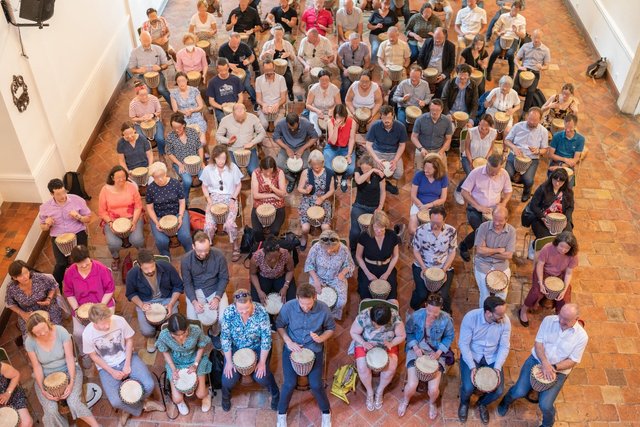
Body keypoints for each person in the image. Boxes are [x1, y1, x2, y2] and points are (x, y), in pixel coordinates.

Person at [499, 304, 588, 427]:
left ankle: (547, 424)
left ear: (576, 319)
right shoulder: (549, 320)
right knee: (518, 391)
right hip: (537, 360)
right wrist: (545, 364)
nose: (561, 321)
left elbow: (573, 360)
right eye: (560, 316)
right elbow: (538, 343)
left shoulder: (582, 337)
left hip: (559, 370)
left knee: (545, 405)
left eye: (566, 320)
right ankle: (505, 401)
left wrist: (554, 368)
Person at [82, 304, 163, 426]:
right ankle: (141, 405)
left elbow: (130, 339)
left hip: (127, 357)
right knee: (115, 401)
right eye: (103, 324)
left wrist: (127, 363)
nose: (107, 325)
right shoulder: (87, 334)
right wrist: (111, 371)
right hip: (107, 367)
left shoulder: (118, 320)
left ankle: (129, 407)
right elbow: (93, 356)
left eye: (108, 321)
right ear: (94, 322)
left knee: (149, 384)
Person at [275, 284, 335, 427]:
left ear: (315, 297)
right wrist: (288, 341)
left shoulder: (324, 309)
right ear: (297, 298)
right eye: (302, 304)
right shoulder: (289, 307)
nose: (305, 307)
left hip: (314, 348)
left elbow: (331, 329)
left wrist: (321, 339)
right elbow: (279, 325)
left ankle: (326, 413)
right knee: (289, 384)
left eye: (309, 304)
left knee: (316, 385)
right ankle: (281, 414)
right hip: (292, 347)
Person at [25, 313, 99, 427]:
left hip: (69, 370)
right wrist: (43, 390)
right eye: (38, 333)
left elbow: (70, 358)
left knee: (74, 402)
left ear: (47, 323)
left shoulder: (60, 331)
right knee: (51, 410)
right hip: (45, 378)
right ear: (32, 333)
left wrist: (71, 383)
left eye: (44, 329)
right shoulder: (29, 341)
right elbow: (37, 367)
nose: (43, 333)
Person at [221, 289, 280, 411]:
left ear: (251, 302)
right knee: (228, 379)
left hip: (257, 346)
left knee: (262, 377)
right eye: (240, 310)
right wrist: (229, 362)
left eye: (247, 308)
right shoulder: (228, 312)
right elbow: (225, 338)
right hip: (237, 347)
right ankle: (225, 396)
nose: (244, 312)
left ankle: (275, 394)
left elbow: (266, 339)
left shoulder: (261, 311)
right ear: (234, 305)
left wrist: (262, 362)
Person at [399, 294, 454, 419]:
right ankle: (405, 401)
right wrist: (415, 347)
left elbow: (449, 337)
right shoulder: (417, 315)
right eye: (429, 311)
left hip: (435, 351)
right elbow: (409, 332)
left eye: (435, 313)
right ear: (425, 306)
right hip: (416, 348)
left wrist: (439, 352)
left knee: (434, 389)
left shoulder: (446, 319)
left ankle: (432, 403)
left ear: (441, 308)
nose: (431, 315)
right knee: (412, 385)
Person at [458, 296, 511, 424]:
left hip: (492, 357)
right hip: (473, 355)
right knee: (468, 386)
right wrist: (472, 366)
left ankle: (482, 403)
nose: (503, 317)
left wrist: (497, 367)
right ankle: (464, 403)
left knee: (498, 390)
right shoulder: (470, 318)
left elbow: (504, 346)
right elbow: (463, 344)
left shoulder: (505, 321)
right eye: (499, 315)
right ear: (488, 313)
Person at [349, 303, 405, 411]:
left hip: (387, 344)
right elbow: (353, 332)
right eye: (374, 323)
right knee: (361, 367)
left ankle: (380, 391)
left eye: (379, 325)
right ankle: (369, 392)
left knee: (391, 368)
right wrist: (363, 342)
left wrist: (392, 344)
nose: (376, 326)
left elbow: (401, 336)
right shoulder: (363, 316)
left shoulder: (395, 319)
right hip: (365, 342)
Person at [63, 245, 115, 362]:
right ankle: (84, 352)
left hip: (102, 303)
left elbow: (110, 289)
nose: (84, 266)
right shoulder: (70, 273)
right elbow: (69, 293)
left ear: (89, 257)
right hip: (80, 307)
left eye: (86, 262)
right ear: (74, 262)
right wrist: (77, 310)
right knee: (77, 333)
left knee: (105, 328)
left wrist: (101, 306)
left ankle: (106, 349)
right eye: (80, 264)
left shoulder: (100, 268)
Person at [126, 248, 183, 353]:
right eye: (146, 269)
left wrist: (171, 303)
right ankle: (152, 336)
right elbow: (131, 294)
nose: (150, 271)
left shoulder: (167, 267)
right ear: (139, 266)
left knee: (174, 324)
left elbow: (178, 286)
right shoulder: (132, 274)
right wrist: (141, 305)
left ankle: (169, 336)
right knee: (146, 331)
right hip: (145, 301)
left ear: (154, 262)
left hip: (167, 298)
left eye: (152, 266)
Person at [459, 154, 512, 261]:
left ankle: (489, 249)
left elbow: (508, 192)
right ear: (487, 164)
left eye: (495, 172)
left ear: (501, 167)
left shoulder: (504, 174)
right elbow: (464, 192)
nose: (492, 173)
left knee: (499, 227)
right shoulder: (476, 172)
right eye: (490, 170)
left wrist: (503, 203)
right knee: (481, 230)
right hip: (475, 208)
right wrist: (478, 206)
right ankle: (464, 245)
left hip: (494, 210)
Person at [39, 178, 91, 288]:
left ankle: (86, 281)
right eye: (58, 194)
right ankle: (56, 288)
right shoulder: (45, 207)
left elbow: (88, 219)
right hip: (58, 236)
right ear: (51, 194)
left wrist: (78, 216)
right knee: (60, 264)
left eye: (64, 192)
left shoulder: (77, 200)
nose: (63, 196)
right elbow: (43, 227)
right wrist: (47, 224)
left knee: (82, 258)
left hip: (77, 231)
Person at [157, 314, 212, 415]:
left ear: (187, 327)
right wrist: (173, 369)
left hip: (195, 358)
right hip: (176, 362)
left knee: (200, 394)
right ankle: (180, 402)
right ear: (170, 333)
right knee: (177, 399)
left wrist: (195, 364)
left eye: (184, 332)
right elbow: (165, 352)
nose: (182, 336)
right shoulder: (164, 335)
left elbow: (201, 346)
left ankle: (206, 394)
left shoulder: (195, 330)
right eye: (177, 335)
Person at [519, 232, 578, 327]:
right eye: (561, 246)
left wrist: (564, 289)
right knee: (536, 292)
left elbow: (568, 273)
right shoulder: (548, 248)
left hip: (559, 275)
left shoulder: (573, 255)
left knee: (565, 297)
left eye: (567, 248)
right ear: (557, 243)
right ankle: (523, 311)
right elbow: (540, 265)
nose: (563, 250)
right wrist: (541, 283)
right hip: (544, 272)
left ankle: (560, 317)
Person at [410, 206, 456, 313]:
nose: (435, 225)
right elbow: (416, 251)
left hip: (443, 267)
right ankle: (415, 306)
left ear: (444, 220)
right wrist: (423, 267)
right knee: (422, 294)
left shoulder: (451, 231)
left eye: (438, 223)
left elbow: (452, 252)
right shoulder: (420, 230)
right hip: (422, 265)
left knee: (443, 296)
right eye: (432, 222)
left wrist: (444, 270)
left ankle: (446, 315)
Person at [201, 144, 243, 261]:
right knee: (208, 226)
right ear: (214, 157)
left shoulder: (233, 167)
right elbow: (204, 187)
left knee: (229, 225)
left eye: (224, 158)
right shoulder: (208, 169)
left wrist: (233, 199)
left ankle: (235, 246)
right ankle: (207, 246)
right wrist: (209, 200)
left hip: (230, 197)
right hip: (213, 198)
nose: (221, 161)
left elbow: (238, 185)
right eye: (219, 158)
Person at [97, 166, 144, 270]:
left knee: (137, 240)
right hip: (112, 220)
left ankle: (142, 255)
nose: (122, 179)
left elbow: (138, 206)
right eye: (118, 177)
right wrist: (109, 223)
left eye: (124, 177)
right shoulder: (105, 190)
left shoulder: (132, 187)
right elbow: (102, 211)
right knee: (113, 244)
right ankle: (116, 257)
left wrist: (134, 222)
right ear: (112, 177)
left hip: (132, 217)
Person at [181, 231, 230, 328]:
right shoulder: (186, 260)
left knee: (224, 319)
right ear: (193, 247)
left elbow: (224, 278)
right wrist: (194, 301)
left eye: (206, 250)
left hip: (215, 288)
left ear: (210, 245)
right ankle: (199, 337)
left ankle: (215, 331)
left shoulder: (219, 256)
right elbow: (187, 283)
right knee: (192, 321)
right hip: (196, 290)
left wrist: (217, 297)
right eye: (199, 251)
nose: (203, 254)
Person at [304, 229, 355, 320]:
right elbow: (309, 265)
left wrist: (343, 273)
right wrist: (316, 281)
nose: (329, 251)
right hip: (318, 276)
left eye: (332, 249)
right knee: (313, 299)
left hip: (336, 277)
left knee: (341, 302)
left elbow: (349, 264)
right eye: (326, 249)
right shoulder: (316, 248)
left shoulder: (344, 249)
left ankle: (332, 316)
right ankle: (318, 315)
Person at [6, 260, 63, 340]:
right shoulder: (11, 287)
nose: (25, 276)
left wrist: (48, 299)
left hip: (46, 306)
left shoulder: (38, 277)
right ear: (14, 277)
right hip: (27, 313)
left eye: (26, 272)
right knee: (29, 339)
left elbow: (53, 285)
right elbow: (9, 303)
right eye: (20, 275)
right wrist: (22, 313)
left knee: (56, 332)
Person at [145, 162, 192, 256]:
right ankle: (166, 259)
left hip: (177, 212)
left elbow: (182, 201)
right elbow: (149, 208)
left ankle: (191, 254)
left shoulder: (175, 183)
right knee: (161, 241)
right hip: (159, 216)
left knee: (185, 236)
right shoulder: (151, 188)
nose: (160, 179)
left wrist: (180, 216)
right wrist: (156, 222)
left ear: (165, 173)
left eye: (162, 175)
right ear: (152, 177)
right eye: (156, 177)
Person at [473, 206, 516, 307]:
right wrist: (498, 250)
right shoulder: (484, 227)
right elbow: (479, 251)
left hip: (501, 265)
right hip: (483, 263)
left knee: (502, 293)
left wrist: (487, 250)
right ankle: (484, 316)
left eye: (500, 221)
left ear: (506, 219)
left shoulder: (511, 231)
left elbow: (509, 255)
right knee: (485, 294)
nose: (496, 223)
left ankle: (496, 315)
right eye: (495, 219)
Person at [504, 107, 549, 202]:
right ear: (526, 116)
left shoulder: (544, 131)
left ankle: (527, 192)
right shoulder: (518, 126)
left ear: (540, 120)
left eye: (535, 120)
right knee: (507, 175)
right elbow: (507, 140)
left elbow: (545, 149)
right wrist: (514, 147)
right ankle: (505, 191)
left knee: (528, 180)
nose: (532, 122)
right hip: (515, 155)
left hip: (532, 158)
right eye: (530, 119)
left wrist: (538, 151)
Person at [355, 210, 399, 300]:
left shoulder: (392, 235)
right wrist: (368, 274)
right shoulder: (364, 236)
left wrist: (387, 273)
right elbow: (358, 257)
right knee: (365, 295)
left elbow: (395, 256)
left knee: (392, 297)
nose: (378, 231)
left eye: (381, 227)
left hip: (387, 267)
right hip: (368, 267)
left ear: (385, 226)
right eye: (376, 227)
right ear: (372, 225)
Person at [454, 114, 497, 203]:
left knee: (487, 173)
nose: (483, 129)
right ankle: (458, 191)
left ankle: (477, 192)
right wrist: (471, 161)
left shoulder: (494, 133)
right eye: (481, 127)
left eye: (486, 127)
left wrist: (486, 160)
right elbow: (466, 148)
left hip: (483, 160)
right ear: (479, 123)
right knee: (471, 174)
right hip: (468, 157)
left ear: (490, 126)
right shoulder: (471, 132)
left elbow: (491, 149)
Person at [365, 105, 408, 195]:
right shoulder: (375, 125)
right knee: (375, 170)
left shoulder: (401, 127)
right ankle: (383, 184)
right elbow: (368, 145)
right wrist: (377, 159)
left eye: (388, 117)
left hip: (393, 152)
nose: (386, 121)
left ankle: (386, 182)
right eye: (384, 118)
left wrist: (395, 160)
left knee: (398, 173)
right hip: (378, 151)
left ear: (393, 116)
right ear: (381, 116)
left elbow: (402, 145)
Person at [297, 150, 336, 249]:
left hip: (323, 200)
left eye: (319, 164)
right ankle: (304, 237)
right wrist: (306, 191)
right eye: (314, 165)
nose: (316, 167)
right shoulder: (306, 172)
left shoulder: (329, 173)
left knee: (325, 227)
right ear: (310, 163)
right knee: (305, 228)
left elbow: (332, 190)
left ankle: (325, 243)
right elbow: (299, 188)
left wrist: (322, 198)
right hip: (308, 200)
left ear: (323, 162)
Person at [522, 168, 574, 241]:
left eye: (560, 181)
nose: (557, 183)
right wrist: (543, 218)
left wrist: (566, 220)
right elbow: (534, 205)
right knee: (546, 239)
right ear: (551, 178)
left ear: (565, 182)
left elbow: (570, 207)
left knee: (567, 239)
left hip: (561, 219)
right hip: (542, 218)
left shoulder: (568, 192)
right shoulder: (543, 188)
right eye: (555, 180)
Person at [273, 113, 319, 193]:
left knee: (306, 166)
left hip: (302, 147)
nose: (292, 130)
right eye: (290, 128)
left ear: (298, 122)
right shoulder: (281, 123)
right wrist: (286, 148)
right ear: (286, 122)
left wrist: (303, 148)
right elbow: (276, 137)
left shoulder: (306, 123)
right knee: (279, 165)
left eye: (294, 128)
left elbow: (315, 137)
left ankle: (301, 179)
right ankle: (292, 179)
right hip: (286, 146)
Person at [165, 112, 205, 206]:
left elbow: (199, 147)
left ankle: (210, 196)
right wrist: (179, 164)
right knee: (187, 181)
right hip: (180, 163)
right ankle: (184, 198)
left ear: (184, 124)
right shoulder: (170, 137)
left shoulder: (192, 132)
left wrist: (201, 161)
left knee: (204, 176)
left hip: (195, 161)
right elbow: (169, 153)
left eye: (179, 127)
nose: (177, 130)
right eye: (174, 128)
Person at [349, 154, 386, 250]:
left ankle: (372, 249)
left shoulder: (379, 175)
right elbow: (359, 181)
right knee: (355, 232)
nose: (364, 170)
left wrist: (380, 207)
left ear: (372, 166)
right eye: (363, 167)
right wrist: (372, 171)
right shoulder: (357, 171)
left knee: (377, 230)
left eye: (367, 168)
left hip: (375, 207)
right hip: (359, 206)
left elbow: (383, 192)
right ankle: (353, 250)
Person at [216, 103, 265, 175]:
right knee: (231, 173)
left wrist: (252, 142)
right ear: (232, 113)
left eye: (243, 118)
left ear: (246, 111)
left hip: (250, 149)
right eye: (238, 119)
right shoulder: (225, 120)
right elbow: (218, 135)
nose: (240, 120)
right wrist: (227, 141)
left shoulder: (253, 118)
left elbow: (262, 133)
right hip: (232, 150)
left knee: (254, 171)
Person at [408, 154, 448, 235]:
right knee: (412, 230)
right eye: (425, 167)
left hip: (435, 207)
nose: (426, 170)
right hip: (419, 205)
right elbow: (413, 196)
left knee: (437, 231)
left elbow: (443, 198)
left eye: (429, 169)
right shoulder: (419, 175)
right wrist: (421, 206)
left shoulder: (443, 177)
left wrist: (429, 205)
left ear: (436, 169)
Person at [486, 1, 526, 81]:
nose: (514, 12)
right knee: (496, 51)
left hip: (513, 39)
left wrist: (516, 32)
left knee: (510, 54)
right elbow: (495, 28)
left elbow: (523, 35)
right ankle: (488, 70)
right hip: (502, 37)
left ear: (519, 10)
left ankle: (511, 74)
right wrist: (499, 32)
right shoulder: (503, 16)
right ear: (511, 8)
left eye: (517, 10)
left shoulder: (522, 19)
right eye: (514, 9)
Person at [251, 156, 288, 242]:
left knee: (274, 231)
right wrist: (272, 195)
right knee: (257, 231)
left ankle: (271, 247)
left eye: (270, 171)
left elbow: (283, 194)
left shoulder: (279, 172)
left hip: (277, 204)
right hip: (260, 203)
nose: (268, 174)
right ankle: (261, 248)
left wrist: (272, 187)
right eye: (265, 171)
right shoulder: (256, 173)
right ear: (261, 168)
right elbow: (256, 195)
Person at [250, 237, 296, 304]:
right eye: (269, 258)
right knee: (256, 302)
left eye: (276, 257)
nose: (273, 260)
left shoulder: (285, 254)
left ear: (279, 252)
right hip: (263, 277)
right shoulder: (256, 257)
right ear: (264, 253)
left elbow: (290, 270)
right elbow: (252, 274)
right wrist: (259, 291)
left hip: (281, 276)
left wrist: (285, 286)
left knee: (290, 301)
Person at [514, 29, 551, 112]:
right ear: (532, 37)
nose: (536, 40)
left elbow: (547, 66)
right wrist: (519, 66)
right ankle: (513, 106)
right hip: (524, 69)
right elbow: (516, 59)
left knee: (531, 91)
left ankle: (525, 111)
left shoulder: (546, 50)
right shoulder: (525, 46)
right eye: (534, 37)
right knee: (515, 87)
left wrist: (542, 67)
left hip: (535, 72)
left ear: (542, 38)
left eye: (538, 38)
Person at [128, 30, 170, 104]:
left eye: (148, 40)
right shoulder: (135, 52)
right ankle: (149, 112)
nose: (147, 43)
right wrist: (139, 71)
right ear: (140, 40)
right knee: (146, 92)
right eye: (144, 41)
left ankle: (174, 107)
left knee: (162, 89)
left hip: (158, 74)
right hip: (142, 76)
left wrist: (160, 68)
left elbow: (166, 64)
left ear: (151, 38)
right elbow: (132, 69)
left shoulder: (158, 49)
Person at [411, 98, 453, 169]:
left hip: (438, 150)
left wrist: (442, 151)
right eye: (432, 110)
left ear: (442, 110)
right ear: (429, 108)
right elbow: (413, 137)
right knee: (418, 172)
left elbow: (448, 139)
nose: (434, 112)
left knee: (443, 173)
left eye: (437, 110)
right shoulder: (420, 119)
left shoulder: (447, 121)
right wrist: (421, 148)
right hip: (422, 148)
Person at [218, 33, 258, 106]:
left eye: (238, 43)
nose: (236, 45)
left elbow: (252, 57)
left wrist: (248, 61)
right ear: (229, 40)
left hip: (244, 71)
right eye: (233, 43)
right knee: (229, 87)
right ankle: (233, 102)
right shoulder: (223, 48)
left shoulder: (244, 46)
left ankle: (255, 100)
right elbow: (220, 62)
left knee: (247, 85)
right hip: (229, 72)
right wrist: (229, 65)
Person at [324, 104, 356, 192]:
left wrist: (349, 154)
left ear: (345, 116)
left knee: (351, 169)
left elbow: (352, 139)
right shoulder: (330, 122)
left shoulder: (352, 122)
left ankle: (344, 178)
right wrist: (336, 128)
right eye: (337, 117)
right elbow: (333, 141)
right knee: (328, 167)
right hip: (332, 148)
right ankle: (333, 178)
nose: (339, 119)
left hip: (345, 148)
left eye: (342, 117)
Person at [128, 81, 166, 156]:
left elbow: (159, 111)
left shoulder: (154, 99)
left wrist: (152, 115)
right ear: (137, 95)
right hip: (139, 124)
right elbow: (132, 118)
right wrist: (141, 119)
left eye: (146, 94)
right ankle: (147, 155)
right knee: (142, 141)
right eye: (141, 95)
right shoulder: (133, 104)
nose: (144, 97)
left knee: (160, 139)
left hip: (155, 121)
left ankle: (161, 153)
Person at [260, 24, 297, 101]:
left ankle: (290, 91)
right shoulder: (268, 44)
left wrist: (289, 54)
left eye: (280, 34)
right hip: (271, 68)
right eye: (276, 34)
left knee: (289, 80)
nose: (278, 36)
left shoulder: (287, 44)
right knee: (268, 82)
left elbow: (294, 59)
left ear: (283, 34)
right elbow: (261, 58)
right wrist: (266, 52)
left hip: (284, 67)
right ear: (273, 34)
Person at [418, 27, 456, 97]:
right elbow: (420, 58)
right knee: (418, 84)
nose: (437, 40)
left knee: (443, 88)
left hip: (441, 73)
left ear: (445, 37)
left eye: (440, 38)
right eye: (435, 38)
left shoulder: (451, 46)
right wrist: (422, 70)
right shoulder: (428, 42)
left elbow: (452, 65)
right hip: (426, 71)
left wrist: (443, 76)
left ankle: (434, 102)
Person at [547, 114, 584, 186]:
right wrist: (564, 159)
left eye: (570, 128)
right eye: (566, 127)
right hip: (556, 162)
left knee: (568, 187)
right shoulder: (557, 136)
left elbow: (575, 159)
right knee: (553, 184)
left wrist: (562, 166)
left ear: (575, 126)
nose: (567, 130)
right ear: (563, 124)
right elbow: (550, 154)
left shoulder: (580, 139)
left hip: (569, 165)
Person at [206, 58, 245, 125]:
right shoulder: (212, 82)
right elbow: (211, 101)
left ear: (228, 67)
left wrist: (237, 106)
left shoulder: (235, 79)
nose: (223, 72)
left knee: (242, 119)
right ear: (217, 69)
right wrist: (221, 107)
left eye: (226, 70)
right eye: (221, 70)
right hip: (220, 108)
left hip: (235, 105)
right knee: (225, 122)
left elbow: (240, 96)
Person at [337, 32, 371, 102]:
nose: (355, 45)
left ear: (360, 41)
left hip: (360, 67)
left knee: (362, 83)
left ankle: (360, 100)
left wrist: (363, 70)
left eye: (357, 43)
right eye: (352, 43)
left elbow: (367, 62)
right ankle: (343, 101)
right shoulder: (343, 47)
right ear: (348, 41)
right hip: (346, 67)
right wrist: (344, 69)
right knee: (346, 84)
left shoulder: (364, 47)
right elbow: (338, 61)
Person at [306, 70, 341, 137]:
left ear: (329, 79)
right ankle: (318, 142)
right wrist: (317, 111)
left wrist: (332, 109)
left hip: (331, 111)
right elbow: (307, 105)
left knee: (334, 131)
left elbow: (339, 104)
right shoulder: (314, 89)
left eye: (327, 80)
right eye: (322, 80)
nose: (324, 82)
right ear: (319, 79)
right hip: (316, 111)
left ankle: (331, 143)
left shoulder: (334, 89)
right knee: (317, 133)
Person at [256, 59, 288, 130]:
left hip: (278, 106)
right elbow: (258, 99)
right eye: (266, 70)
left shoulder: (281, 79)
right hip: (264, 107)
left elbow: (283, 98)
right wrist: (263, 104)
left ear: (274, 68)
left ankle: (273, 124)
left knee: (278, 126)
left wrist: (277, 104)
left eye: (270, 69)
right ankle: (268, 124)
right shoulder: (258, 80)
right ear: (263, 69)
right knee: (263, 126)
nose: (269, 72)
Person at [377, 27, 411, 91]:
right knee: (387, 85)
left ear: (398, 35)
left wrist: (404, 68)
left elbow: (407, 59)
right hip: (388, 69)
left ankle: (400, 97)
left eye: (393, 36)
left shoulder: (404, 44)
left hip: (400, 68)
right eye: (389, 36)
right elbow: (379, 59)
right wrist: (384, 68)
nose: (391, 39)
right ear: (387, 35)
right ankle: (384, 95)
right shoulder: (383, 44)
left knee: (403, 84)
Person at [0, 361, 33, 427]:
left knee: (27, 423)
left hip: (12, 396)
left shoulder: (1, 367)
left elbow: (16, 375)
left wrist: (7, 393)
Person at [367, 0, 399, 65]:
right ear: (381, 3)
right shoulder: (375, 13)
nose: (386, 6)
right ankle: (373, 64)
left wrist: (390, 32)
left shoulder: (392, 13)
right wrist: (376, 26)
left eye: (388, 4)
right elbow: (368, 26)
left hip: (388, 36)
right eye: (385, 4)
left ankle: (389, 63)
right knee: (375, 48)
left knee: (390, 48)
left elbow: (397, 26)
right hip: (375, 34)